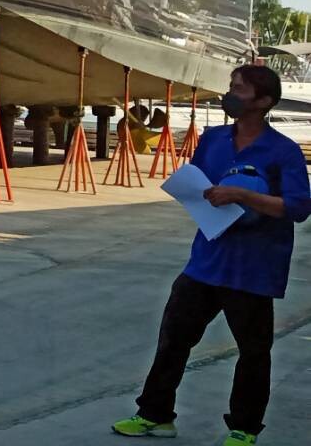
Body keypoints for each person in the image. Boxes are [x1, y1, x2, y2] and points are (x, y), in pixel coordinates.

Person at [112, 65, 311, 445]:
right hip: (206, 260)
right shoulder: (214, 138)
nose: (231, 94)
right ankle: (155, 415)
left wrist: (243, 195)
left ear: (265, 101)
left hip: (253, 268)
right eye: (231, 87)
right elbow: (200, 183)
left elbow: (299, 206)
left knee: (253, 352)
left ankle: (244, 428)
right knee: (173, 339)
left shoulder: (283, 151)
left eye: (240, 89)